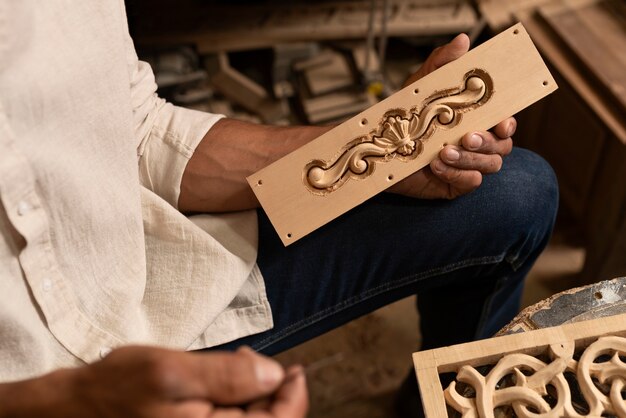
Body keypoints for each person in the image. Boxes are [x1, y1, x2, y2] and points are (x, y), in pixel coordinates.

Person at [0, 1, 558, 417]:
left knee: (516, 195)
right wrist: (65, 399)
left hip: (147, 288)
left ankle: (432, 406)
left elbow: (137, 132)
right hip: (27, 386)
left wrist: (378, 147)